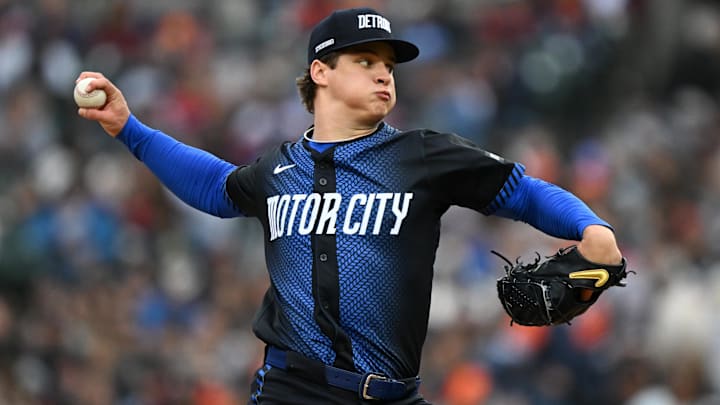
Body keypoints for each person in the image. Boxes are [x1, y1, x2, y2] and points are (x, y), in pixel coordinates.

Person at [77, 7, 623, 405]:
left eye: (388, 64)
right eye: (365, 60)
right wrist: (132, 130)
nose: (385, 73)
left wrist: (590, 226)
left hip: (392, 395)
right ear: (321, 72)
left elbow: (523, 191)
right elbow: (217, 189)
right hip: (292, 390)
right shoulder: (279, 168)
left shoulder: (422, 155)